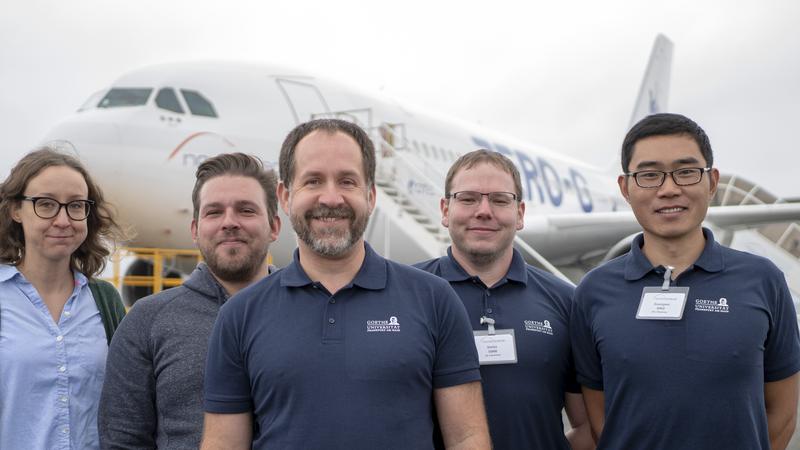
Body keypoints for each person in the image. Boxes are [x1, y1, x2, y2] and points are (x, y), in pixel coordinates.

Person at [201, 119, 491, 450]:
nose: (331, 197)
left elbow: (467, 437)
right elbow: (223, 444)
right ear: (284, 195)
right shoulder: (239, 314)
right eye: (312, 181)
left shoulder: (435, 300)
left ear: (370, 195)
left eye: (347, 181)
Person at [570, 113, 800, 449]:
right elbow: (601, 419)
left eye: (686, 172)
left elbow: (782, 413)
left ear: (711, 181)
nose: (669, 189)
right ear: (625, 188)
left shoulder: (764, 281)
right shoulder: (593, 292)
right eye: (649, 175)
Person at [98, 153, 281, 449]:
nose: (230, 222)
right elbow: (122, 440)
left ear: (274, 226)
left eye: (246, 210)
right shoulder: (147, 321)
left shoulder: (307, 312)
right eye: (214, 212)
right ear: (195, 230)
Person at [415, 149, 594, 450]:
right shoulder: (409, 295)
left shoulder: (566, 301)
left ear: (520, 214)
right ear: (445, 210)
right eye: (468, 198)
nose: (484, 211)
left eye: (499, 200)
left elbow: (588, 424)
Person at [0, 147, 128, 449]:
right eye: (45, 204)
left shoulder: (105, 302)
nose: (63, 220)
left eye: (76, 206)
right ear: (15, 210)